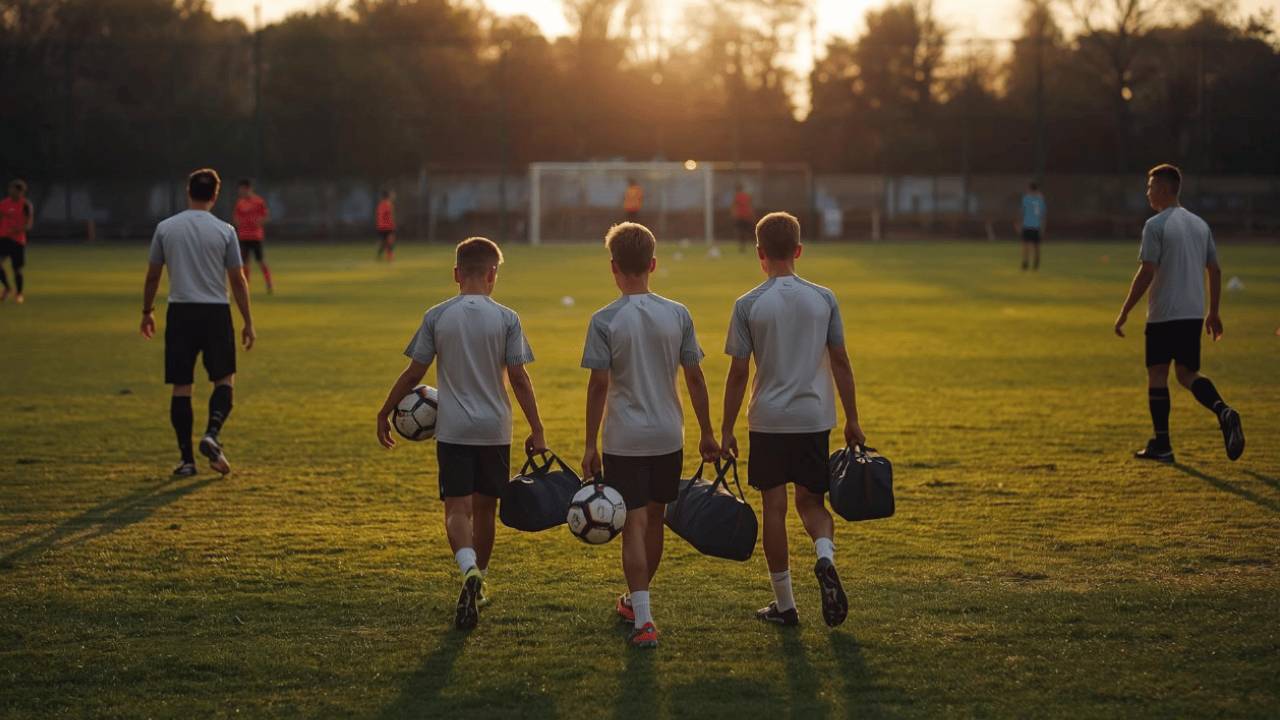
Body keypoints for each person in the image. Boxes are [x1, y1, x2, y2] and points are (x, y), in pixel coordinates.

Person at [376, 237, 546, 631]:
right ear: (493, 275)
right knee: (486, 510)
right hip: (494, 430)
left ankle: (466, 568)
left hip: (452, 430)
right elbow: (519, 377)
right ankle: (480, 578)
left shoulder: (437, 315)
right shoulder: (507, 318)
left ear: (456, 274)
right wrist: (537, 428)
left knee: (456, 509)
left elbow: (414, 373)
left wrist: (386, 410)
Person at [720, 211, 865, 629]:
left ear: (760, 254)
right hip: (813, 416)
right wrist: (852, 419)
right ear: (799, 251)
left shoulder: (748, 304)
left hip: (768, 419)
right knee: (812, 503)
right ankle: (824, 557)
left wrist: (727, 428)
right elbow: (841, 361)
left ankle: (785, 605)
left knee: (775, 508)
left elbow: (738, 372)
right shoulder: (824, 298)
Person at [580, 222, 720, 649]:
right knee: (654, 519)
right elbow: (695, 378)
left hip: (624, 437)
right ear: (653, 264)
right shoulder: (678, 314)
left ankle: (644, 619)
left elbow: (599, 385)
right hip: (667, 435)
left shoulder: (604, 320)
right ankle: (635, 604)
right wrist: (708, 433)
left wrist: (589, 444)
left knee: (634, 524)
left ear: (613, 268)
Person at [1114, 164, 1244, 464]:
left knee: (1157, 374)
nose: (1147, 192)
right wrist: (1213, 312)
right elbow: (1215, 268)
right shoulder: (1200, 224)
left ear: (1162, 188)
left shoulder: (1156, 225)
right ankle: (1223, 410)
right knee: (1187, 374)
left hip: (1163, 314)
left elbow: (1147, 271)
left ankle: (1163, 445)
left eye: (1150, 187)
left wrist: (1124, 311)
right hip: (1192, 314)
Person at [141, 168, 256, 477]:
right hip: (216, 312)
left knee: (182, 386)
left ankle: (187, 461)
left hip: (180, 312)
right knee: (224, 380)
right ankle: (212, 433)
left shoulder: (166, 228)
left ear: (187, 191)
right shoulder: (225, 231)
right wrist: (247, 321)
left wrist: (147, 311)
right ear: (215, 195)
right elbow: (237, 279)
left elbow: (153, 275)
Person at [233, 179, 273, 294]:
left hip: (256, 236)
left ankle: (269, 283)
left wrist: (258, 222)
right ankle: (246, 286)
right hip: (244, 236)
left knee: (261, 261)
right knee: (245, 263)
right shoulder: (240, 203)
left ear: (248, 189)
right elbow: (236, 217)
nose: (241, 192)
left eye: (243, 189)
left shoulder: (258, 202)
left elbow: (265, 216)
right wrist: (239, 223)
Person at [0, 179, 34, 303]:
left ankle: (19, 294)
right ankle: (7, 288)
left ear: (21, 192)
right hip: (3, 238)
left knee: (17, 269)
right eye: (10, 189)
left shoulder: (26, 205)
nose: (11, 192)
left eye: (14, 190)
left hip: (18, 241)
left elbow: (29, 225)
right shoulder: (3, 204)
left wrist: (16, 229)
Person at [1018, 181, 1047, 270]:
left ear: (1029, 189)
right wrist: (1043, 228)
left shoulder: (1026, 199)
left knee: (1025, 245)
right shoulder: (1041, 200)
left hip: (1027, 225)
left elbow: (1022, 213)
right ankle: (1036, 263)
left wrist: (1019, 224)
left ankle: (1025, 263)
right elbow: (1043, 215)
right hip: (1037, 226)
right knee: (1036, 246)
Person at [732, 184, 754, 252]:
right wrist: (751, 214)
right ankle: (744, 245)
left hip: (740, 216)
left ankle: (742, 246)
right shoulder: (747, 196)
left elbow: (734, 206)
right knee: (745, 231)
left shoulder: (737, 196)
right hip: (746, 216)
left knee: (740, 231)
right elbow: (750, 206)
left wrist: (734, 214)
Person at [376, 190, 397, 261]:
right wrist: (392, 224)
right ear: (388, 196)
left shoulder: (380, 205)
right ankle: (390, 257)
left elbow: (380, 216)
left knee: (383, 243)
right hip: (388, 226)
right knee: (390, 242)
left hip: (381, 226)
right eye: (391, 195)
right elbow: (388, 216)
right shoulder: (388, 205)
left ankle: (379, 256)